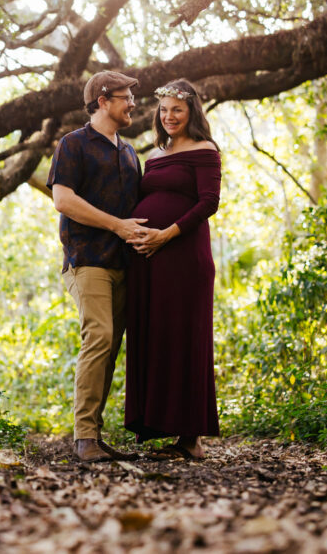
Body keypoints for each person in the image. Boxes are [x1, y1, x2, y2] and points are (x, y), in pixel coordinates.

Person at [47, 70, 148, 463]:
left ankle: (95, 435)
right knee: (100, 336)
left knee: (110, 348)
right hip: (86, 259)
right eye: (126, 97)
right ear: (103, 100)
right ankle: (84, 437)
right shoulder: (73, 144)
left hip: (125, 264)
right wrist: (117, 226)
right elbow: (63, 200)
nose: (133, 104)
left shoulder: (128, 151)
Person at [124, 78, 222, 460]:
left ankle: (191, 439)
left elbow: (208, 203)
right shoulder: (155, 155)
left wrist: (165, 235)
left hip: (185, 257)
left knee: (186, 338)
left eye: (177, 110)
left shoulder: (205, 150)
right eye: (164, 110)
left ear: (191, 111)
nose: (169, 116)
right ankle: (159, 424)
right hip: (150, 262)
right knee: (159, 338)